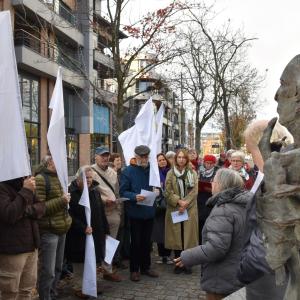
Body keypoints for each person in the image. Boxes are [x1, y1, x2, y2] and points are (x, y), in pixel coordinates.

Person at [175, 168, 252, 300]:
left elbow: (216, 248)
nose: (212, 183)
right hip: (241, 273)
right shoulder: (246, 205)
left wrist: (187, 256)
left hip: (222, 279)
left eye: (214, 180)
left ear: (220, 184)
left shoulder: (224, 209)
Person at [65, 166, 109, 298]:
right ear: (78, 179)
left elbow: (101, 212)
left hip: (95, 233)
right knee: (79, 262)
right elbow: (69, 214)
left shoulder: (95, 190)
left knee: (92, 260)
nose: (89, 180)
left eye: (91, 177)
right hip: (78, 235)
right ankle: (79, 287)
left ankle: (90, 285)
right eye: (86, 177)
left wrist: (105, 230)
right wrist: (82, 227)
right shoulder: (71, 193)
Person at [0, 177, 45, 300]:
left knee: (27, 291)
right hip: (12, 250)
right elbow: (9, 214)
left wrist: (25, 211)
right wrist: (25, 191)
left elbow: (41, 207)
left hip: (31, 247)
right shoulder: (3, 187)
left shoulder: (25, 183)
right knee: (10, 293)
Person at [120, 145, 159, 282]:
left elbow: (158, 186)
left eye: (145, 157)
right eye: (141, 157)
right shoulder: (128, 171)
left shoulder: (152, 170)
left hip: (149, 212)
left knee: (147, 242)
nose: (144, 159)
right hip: (135, 213)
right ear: (135, 157)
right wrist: (134, 196)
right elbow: (123, 191)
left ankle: (146, 267)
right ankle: (134, 269)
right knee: (135, 242)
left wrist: (158, 192)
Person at [35, 155, 72, 300]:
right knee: (48, 270)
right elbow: (40, 208)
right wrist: (62, 200)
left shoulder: (60, 177)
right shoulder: (40, 179)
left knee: (57, 267)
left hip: (61, 228)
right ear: (51, 162)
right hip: (48, 231)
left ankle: (52, 293)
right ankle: (44, 296)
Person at [92, 146, 122, 282]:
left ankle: (107, 270)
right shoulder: (90, 172)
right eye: (102, 155)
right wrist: (104, 200)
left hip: (113, 212)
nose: (105, 158)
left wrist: (118, 209)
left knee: (111, 243)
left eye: (106, 155)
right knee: (97, 244)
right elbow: (89, 193)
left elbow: (116, 192)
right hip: (98, 214)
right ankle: (93, 275)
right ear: (95, 157)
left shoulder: (113, 172)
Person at [165, 149, 198, 274]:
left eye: (183, 157)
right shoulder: (170, 173)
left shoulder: (192, 173)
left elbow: (194, 191)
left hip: (189, 209)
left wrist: (185, 203)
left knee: (188, 238)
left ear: (187, 159)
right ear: (175, 159)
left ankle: (187, 263)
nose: (181, 160)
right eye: (179, 157)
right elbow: (167, 191)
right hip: (176, 209)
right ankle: (178, 264)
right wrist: (179, 201)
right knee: (178, 238)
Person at [152, 153, 172, 264]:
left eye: (163, 159)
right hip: (159, 205)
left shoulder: (171, 172)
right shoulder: (155, 174)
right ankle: (161, 255)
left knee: (169, 231)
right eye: (159, 160)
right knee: (160, 231)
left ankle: (168, 255)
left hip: (170, 204)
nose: (162, 162)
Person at [197, 154, 218, 242]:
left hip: (211, 201)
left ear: (214, 164)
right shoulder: (199, 171)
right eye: (207, 163)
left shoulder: (217, 172)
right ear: (204, 163)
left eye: (211, 163)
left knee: (209, 224)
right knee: (200, 223)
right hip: (200, 200)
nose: (208, 165)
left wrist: (211, 189)